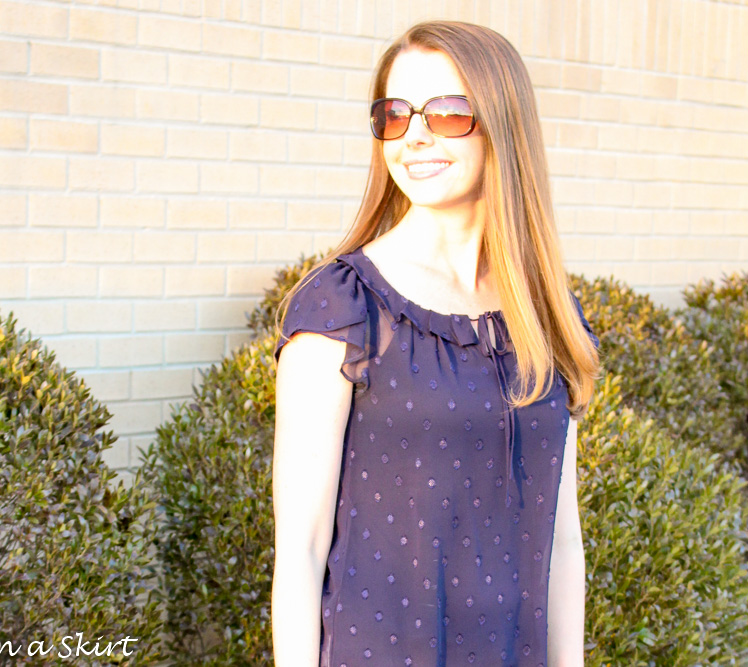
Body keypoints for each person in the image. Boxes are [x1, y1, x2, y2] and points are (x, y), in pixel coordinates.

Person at [271, 20, 601, 667]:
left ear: (502, 124)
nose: (415, 134)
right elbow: (301, 553)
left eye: (447, 112)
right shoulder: (342, 305)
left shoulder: (546, 314)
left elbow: (562, 543)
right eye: (394, 115)